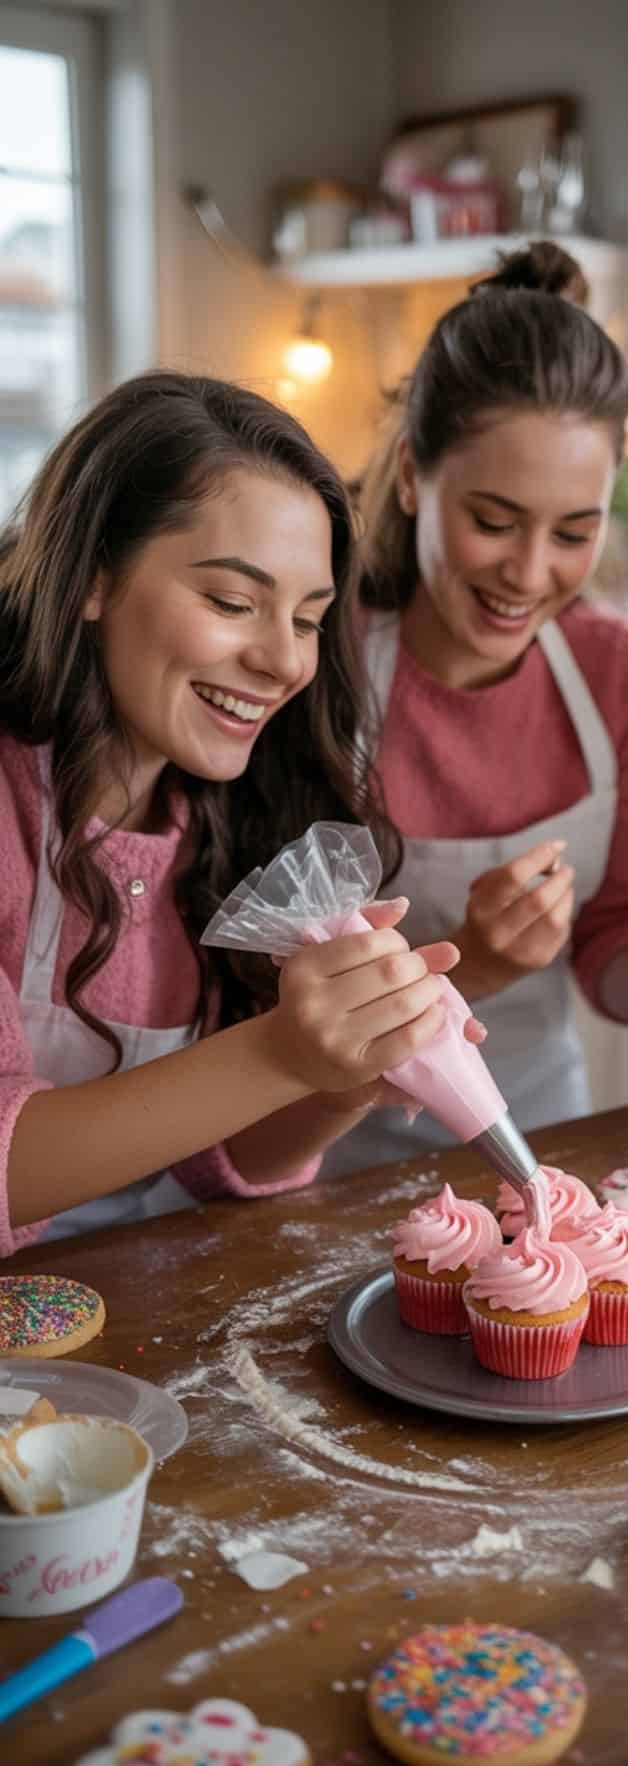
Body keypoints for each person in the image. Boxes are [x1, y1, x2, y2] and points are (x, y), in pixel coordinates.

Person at [0, 370, 471, 1253]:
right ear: (93, 576)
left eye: (307, 618)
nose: (285, 663)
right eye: (232, 602)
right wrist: (280, 1054)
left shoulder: (229, 815)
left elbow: (211, 1156)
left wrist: (340, 1078)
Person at [324, 242, 628, 1171]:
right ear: (417, 476)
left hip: (541, 1133)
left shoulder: (622, 676)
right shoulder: (320, 659)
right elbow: (257, 999)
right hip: (319, 1157)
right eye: (493, 522)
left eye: (575, 531)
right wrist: (474, 961)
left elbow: (609, 949)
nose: (530, 573)